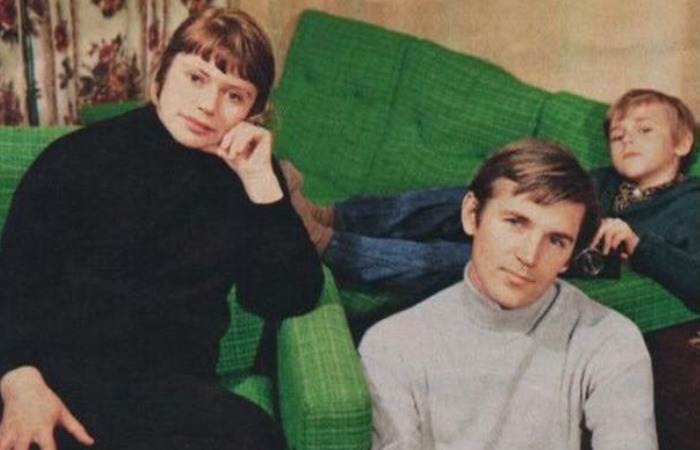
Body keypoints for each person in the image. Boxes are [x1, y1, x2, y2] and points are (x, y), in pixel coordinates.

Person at [0, 7, 322, 450]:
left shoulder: (245, 178)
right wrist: (20, 382)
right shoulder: (74, 159)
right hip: (57, 388)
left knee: (256, 438)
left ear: (254, 112)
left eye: (234, 95)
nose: (208, 105)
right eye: (196, 78)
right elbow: (12, 287)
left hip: (172, 398)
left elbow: (288, 295)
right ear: (162, 73)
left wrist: (263, 186)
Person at [358, 139, 657, 449]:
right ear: (472, 214)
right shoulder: (392, 345)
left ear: (569, 257)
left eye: (556, 240)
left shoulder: (610, 338)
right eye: (516, 222)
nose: (529, 255)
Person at [283, 88, 699, 308]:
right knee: (471, 200)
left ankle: (329, 245)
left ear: (682, 142)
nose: (627, 139)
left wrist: (640, 246)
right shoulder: (603, 180)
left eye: (644, 130)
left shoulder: (691, 202)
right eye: (617, 134)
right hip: (539, 233)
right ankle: (333, 215)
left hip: (565, 266)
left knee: (461, 259)